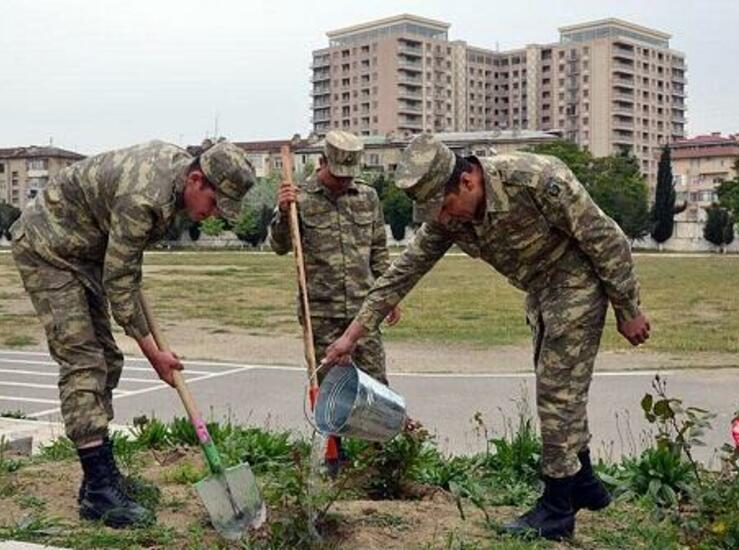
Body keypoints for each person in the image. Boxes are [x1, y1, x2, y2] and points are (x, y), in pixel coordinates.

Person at [324, 133, 651, 540]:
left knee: (556, 393)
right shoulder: (449, 215)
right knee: (562, 390)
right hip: (541, 289)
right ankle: (584, 483)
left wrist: (628, 309)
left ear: (467, 182)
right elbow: (401, 274)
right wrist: (350, 338)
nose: (444, 218)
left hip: (577, 280)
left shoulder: (535, 179)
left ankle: (557, 508)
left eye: (444, 207)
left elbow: (606, 239)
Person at [10, 139, 256, 527]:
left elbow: (125, 268)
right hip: (48, 248)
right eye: (213, 204)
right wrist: (154, 354)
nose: (210, 216)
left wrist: (146, 342)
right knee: (83, 362)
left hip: (84, 248)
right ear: (196, 179)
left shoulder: (172, 180)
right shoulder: (144, 198)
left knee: (108, 359)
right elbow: (120, 282)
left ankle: (99, 478)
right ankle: (99, 493)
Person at [268, 130, 400, 473]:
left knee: (375, 383)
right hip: (321, 310)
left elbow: (378, 251)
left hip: (363, 310)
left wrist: (390, 295)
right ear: (322, 162)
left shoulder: (368, 197)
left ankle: (378, 459)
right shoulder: (299, 198)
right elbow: (280, 246)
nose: (342, 182)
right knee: (327, 387)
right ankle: (333, 457)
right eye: (336, 175)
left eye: (348, 176)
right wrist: (284, 213)